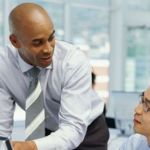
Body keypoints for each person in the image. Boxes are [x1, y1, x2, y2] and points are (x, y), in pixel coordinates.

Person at [0, 2, 109, 150]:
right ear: (15, 41)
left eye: (51, 38)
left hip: (87, 130)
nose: (48, 49)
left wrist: (32, 146)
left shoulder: (72, 61)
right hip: (47, 129)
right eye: (37, 43)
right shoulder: (3, 66)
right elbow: (2, 129)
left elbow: (73, 128)